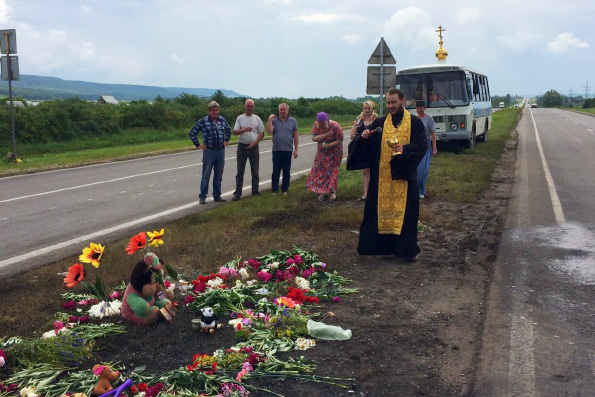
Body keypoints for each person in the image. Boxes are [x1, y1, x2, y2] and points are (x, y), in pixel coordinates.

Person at [347, 88, 427, 261]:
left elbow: (422, 145)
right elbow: (367, 149)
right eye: (388, 103)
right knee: (383, 214)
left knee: (406, 215)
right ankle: (389, 249)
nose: (390, 106)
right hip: (382, 178)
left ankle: (407, 251)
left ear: (402, 101)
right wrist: (364, 138)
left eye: (394, 102)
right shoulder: (381, 124)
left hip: (404, 176)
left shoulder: (414, 123)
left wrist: (404, 149)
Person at [189, 101, 231, 204]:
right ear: (209, 111)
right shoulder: (203, 121)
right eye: (213, 110)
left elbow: (228, 130)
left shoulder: (222, 120)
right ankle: (202, 197)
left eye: (217, 110)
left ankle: (217, 196)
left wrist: (226, 140)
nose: (215, 112)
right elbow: (192, 132)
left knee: (218, 175)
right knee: (206, 175)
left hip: (220, 151)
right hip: (209, 152)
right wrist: (198, 145)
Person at [306, 112, 344, 201]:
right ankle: (322, 192)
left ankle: (333, 191)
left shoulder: (335, 126)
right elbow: (314, 138)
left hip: (335, 153)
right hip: (322, 153)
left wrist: (329, 145)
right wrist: (326, 135)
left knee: (332, 172)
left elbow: (340, 139)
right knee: (321, 171)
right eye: (320, 123)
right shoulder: (316, 125)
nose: (321, 125)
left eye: (323, 123)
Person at [232, 99, 265, 201]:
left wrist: (254, 143)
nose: (250, 108)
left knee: (255, 171)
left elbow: (261, 133)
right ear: (244, 106)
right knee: (240, 172)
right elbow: (235, 132)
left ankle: (255, 192)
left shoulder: (257, 119)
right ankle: (237, 193)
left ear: (253, 107)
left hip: (254, 148)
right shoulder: (240, 118)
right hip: (242, 147)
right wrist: (244, 129)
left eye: (251, 106)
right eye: (248, 106)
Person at [266, 103, 299, 195]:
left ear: (287, 111)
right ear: (279, 110)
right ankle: (274, 190)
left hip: (288, 150)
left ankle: (285, 190)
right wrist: (269, 120)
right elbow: (269, 131)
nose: (282, 111)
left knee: (286, 171)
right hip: (277, 150)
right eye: (281, 109)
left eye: (284, 109)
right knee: (276, 171)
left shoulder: (293, 121)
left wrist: (296, 150)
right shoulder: (274, 121)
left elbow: (295, 136)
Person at [350, 100, 378, 201]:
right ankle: (366, 194)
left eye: (369, 108)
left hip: (374, 147)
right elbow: (352, 135)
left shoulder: (376, 119)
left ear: (372, 109)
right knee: (365, 171)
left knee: (375, 170)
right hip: (363, 148)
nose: (367, 110)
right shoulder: (359, 119)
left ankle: (374, 193)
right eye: (365, 108)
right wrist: (361, 136)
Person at [415, 100, 437, 199]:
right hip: (416, 145)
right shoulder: (414, 119)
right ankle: (415, 188)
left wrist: (434, 148)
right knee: (417, 168)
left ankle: (421, 190)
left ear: (424, 108)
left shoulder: (429, 118)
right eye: (417, 108)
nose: (419, 110)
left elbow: (433, 133)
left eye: (421, 108)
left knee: (424, 169)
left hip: (427, 144)